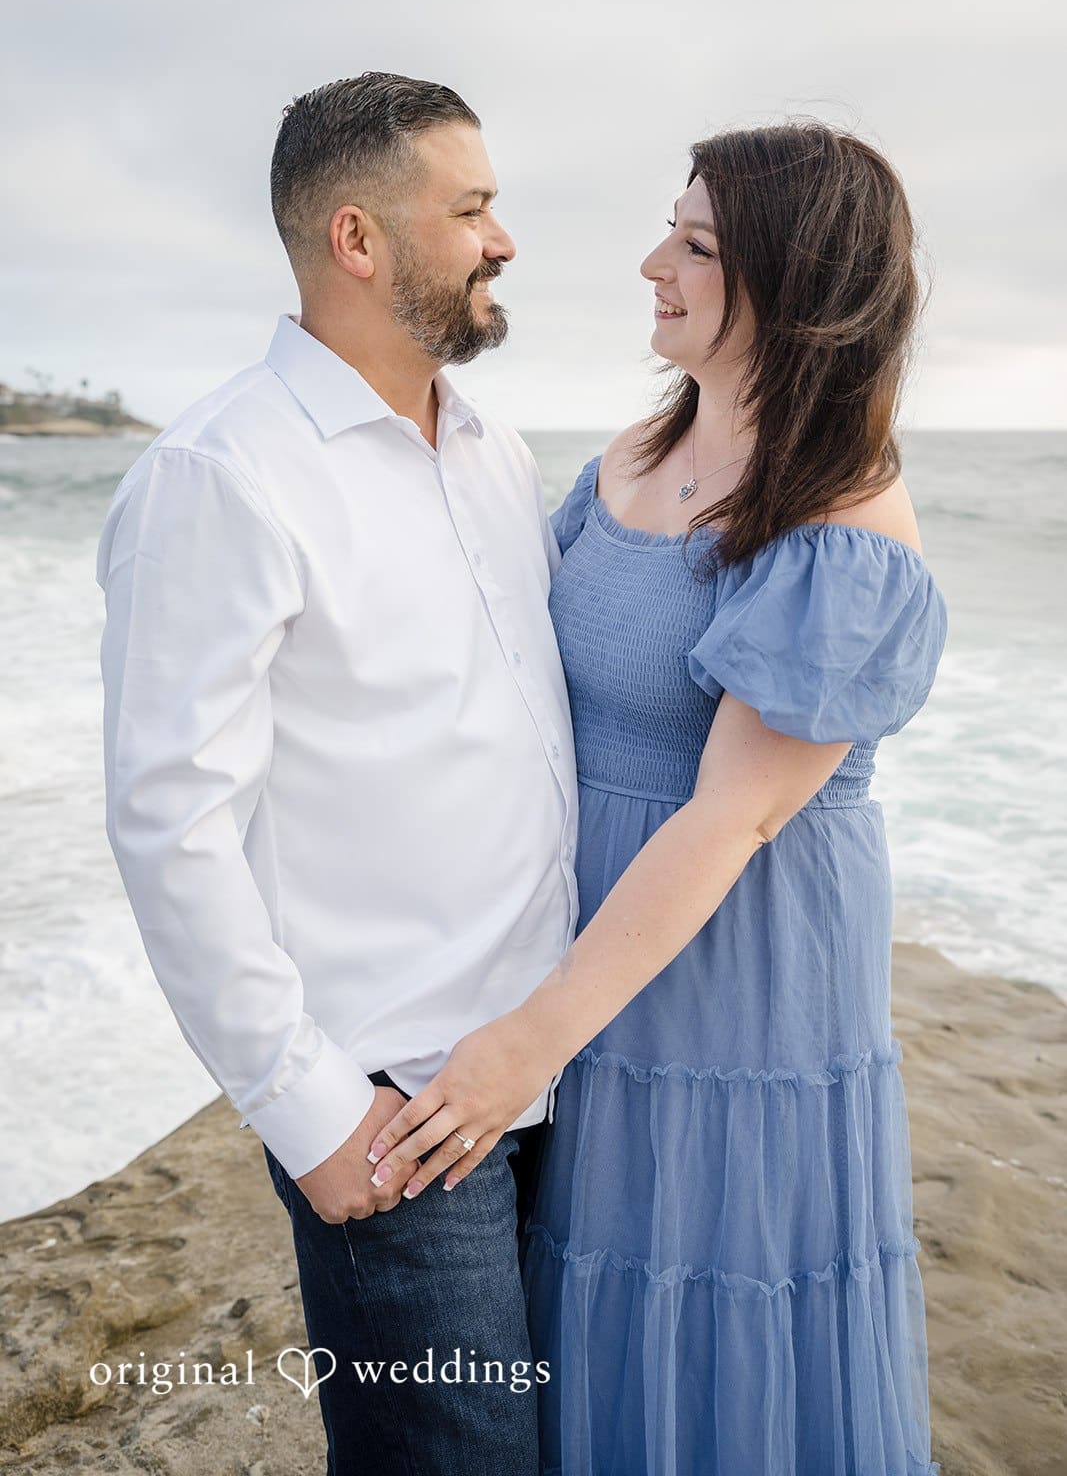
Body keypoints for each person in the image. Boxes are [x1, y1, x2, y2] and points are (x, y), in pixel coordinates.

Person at [365, 122, 947, 1475]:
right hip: (591, 943)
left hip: (733, 958)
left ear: (795, 283)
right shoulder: (628, 455)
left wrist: (527, 1039)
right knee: (591, 1296)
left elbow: (731, 818)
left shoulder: (844, 522)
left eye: (695, 245)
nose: (651, 264)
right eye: (667, 231)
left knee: (712, 1296)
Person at [96, 72, 579, 1476]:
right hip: (400, 1123)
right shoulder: (224, 475)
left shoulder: (498, 453)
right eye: (473, 208)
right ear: (359, 241)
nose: (504, 240)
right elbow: (170, 826)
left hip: (556, 1069)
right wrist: (307, 1107)